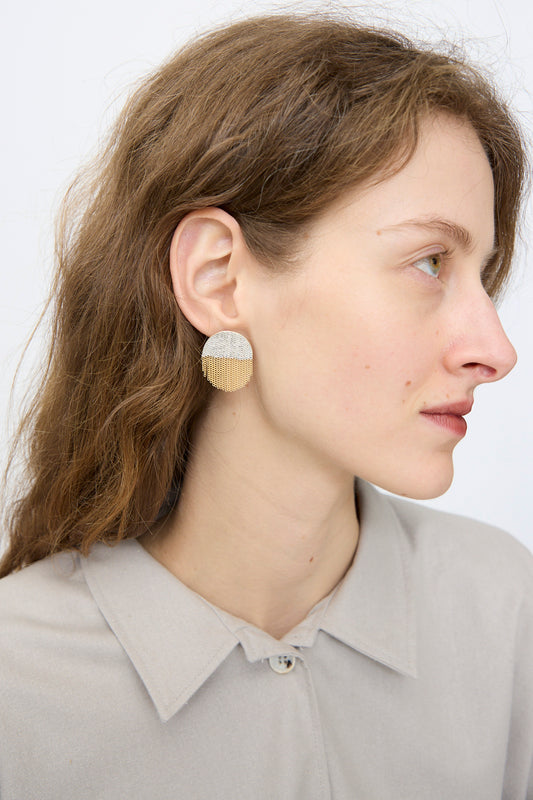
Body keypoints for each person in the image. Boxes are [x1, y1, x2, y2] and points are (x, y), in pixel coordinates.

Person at [0, 12, 531, 799]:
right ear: (219, 278)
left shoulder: (507, 613)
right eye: (427, 262)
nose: (494, 349)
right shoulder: (18, 683)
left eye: (480, 276)